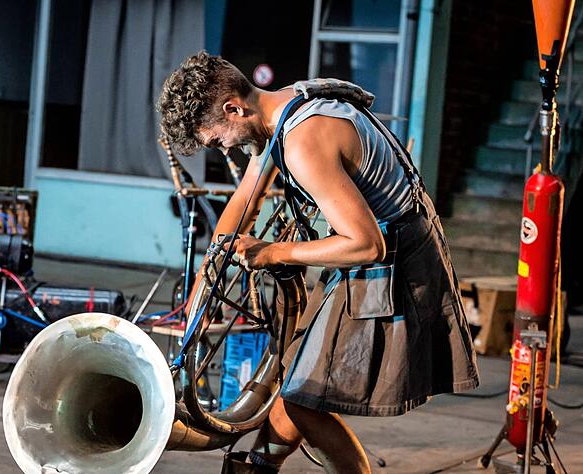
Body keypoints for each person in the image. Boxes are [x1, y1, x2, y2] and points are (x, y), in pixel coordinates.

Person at [157, 51, 480, 473]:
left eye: (218, 140)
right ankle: (256, 466)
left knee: (303, 398)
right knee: (295, 377)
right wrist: (210, 269)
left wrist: (274, 252)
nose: (225, 150)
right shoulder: (284, 110)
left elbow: (366, 245)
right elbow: (246, 198)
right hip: (378, 251)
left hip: (396, 262)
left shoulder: (303, 141)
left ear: (233, 109)